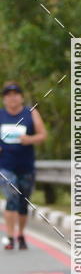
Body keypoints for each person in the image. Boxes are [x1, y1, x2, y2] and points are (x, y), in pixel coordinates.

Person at [0, 82, 47, 250]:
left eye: (15, 94)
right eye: (8, 95)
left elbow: (42, 135)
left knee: (22, 203)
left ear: (21, 97)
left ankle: (20, 235)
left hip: (26, 166)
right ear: (4, 99)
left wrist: (30, 139)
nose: (12, 97)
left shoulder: (30, 113)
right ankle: (10, 237)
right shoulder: (1, 115)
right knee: (11, 196)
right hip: (5, 166)